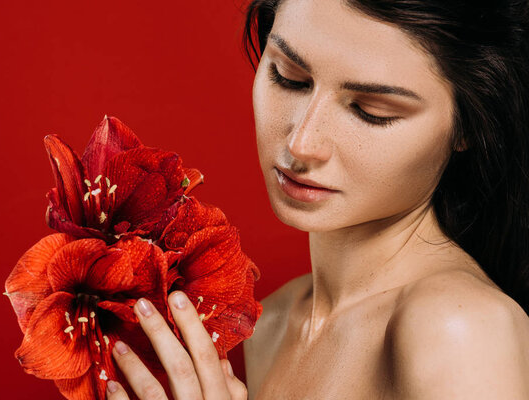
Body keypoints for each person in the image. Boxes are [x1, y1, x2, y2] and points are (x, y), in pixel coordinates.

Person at [104, 0, 529, 398]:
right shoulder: (266, 324)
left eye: (371, 111)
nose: (302, 142)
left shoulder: (462, 328)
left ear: (468, 127)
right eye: (289, 78)